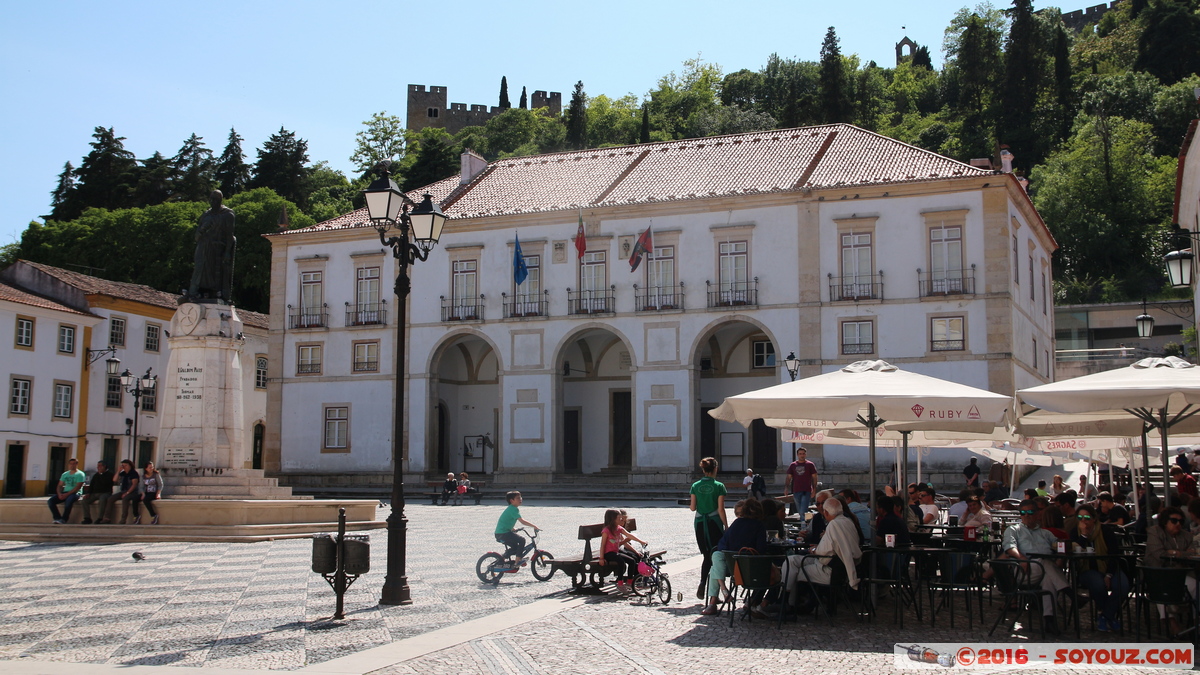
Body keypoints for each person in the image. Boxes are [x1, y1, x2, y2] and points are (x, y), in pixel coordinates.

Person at [1000, 499, 1069, 634]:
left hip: (1043, 571)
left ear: (1037, 514)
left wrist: (1061, 557)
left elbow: (1059, 546)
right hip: (1025, 571)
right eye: (1023, 513)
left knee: (1048, 577)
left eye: (1030, 512)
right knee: (1044, 563)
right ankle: (1069, 592)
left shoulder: (1045, 533)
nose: (1026, 515)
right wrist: (1021, 558)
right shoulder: (1014, 530)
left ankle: (1049, 620)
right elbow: (1009, 547)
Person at [783, 498, 862, 613]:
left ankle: (786, 604)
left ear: (826, 512)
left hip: (830, 570)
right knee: (791, 561)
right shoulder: (848, 521)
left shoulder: (834, 525)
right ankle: (787, 603)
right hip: (838, 567)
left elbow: (823, 551)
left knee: (791, 570)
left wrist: (814, 549)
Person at [699, 498, 768, 615]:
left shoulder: (736, 524)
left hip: (732, 567)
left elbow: (722, 545)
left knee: (715, 562)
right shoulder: (759, 526)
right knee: (767, 569)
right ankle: (751, 602)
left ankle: (714, 601)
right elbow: (761, 549)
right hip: (750, 569)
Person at [1069, 504, 1129, 632]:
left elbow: (1114, 554)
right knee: (1098, 584)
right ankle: (1109, 616)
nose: (1083, 521)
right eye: (1080, 517)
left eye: (1086, 517)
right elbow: (1073, 549)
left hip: (1109, 567)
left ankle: (1105, 615)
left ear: (1094, 518)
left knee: (1123, 586)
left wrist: (1109, 574)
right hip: (1087, 569)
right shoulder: (1075, 532)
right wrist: (1084, 536)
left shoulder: (1105, 531)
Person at [1145, 505, 1194, 634]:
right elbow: (1159, 555)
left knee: (1196, 586)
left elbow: (1192, 554)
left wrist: (1175, 553)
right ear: (1165, 521)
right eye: (1174, 521)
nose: (1178, 524)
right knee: (1164, 586)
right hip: (1158, 572)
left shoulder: (1186, 536)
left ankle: (1194, 621)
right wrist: (1181, 554)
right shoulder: (1155, 532)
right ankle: (1170, 620)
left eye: (1181, 522)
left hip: (1180, 573)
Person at [188, 189, 236, 301]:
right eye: (211, 199)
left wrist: (228, 252)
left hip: (218, 248)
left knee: (216, 273)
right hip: (203, 246)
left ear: (220, 200)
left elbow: (230, 235)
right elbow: (196, 236)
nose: (213, 202)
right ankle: (193, 293)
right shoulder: (206, 215)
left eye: (216, 200)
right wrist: (202, 229)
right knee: (199, 269)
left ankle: (216, 294)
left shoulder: (228, 214)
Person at [690, 457, 728, 599]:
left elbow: (693, 508)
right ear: (715, 469)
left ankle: (702, 582)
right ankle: (715, 594)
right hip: (714, 524)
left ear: (703, 469)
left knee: (706, 556)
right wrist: (726, 525)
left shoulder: (695, 485)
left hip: (700, 524)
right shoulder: (719, 486)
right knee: (717, 556)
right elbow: (721, 509)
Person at [494, 491, 540, 567]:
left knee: (515, 547)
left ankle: (502, 558)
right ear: (511, 501)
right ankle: (518, 560)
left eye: (520, 497)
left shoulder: (511, 509)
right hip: (503, 533)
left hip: (500, 533)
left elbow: (507, 521)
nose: (520, 499)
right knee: (522, 540)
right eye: (518, 498)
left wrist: (512, 529)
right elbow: (522, 521)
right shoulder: (514, 509)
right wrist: (534, 526)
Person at [599, 509, 639, 594]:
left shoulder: (619, 529)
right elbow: (602, 545)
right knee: (621, 562)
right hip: (608, 553)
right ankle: (620, 583)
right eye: (619, 519)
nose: (621, 521)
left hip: (616, 551)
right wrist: (601, 558)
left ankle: (629, 582)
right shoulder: (606, 531)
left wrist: (641, 542)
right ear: (612, 519)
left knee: (632, 561)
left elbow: (629, 535)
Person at [784, 447, 818, 524]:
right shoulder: (793, 465)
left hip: (807, 490)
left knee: (803, 509)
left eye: (803, 454)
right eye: (800, 454)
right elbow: (788, 477)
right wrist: (786, 488)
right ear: (797, 455)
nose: (802, 455)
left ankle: (803, 525)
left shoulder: (810, 465)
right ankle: (807, 523)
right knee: (800, 510)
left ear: (805, 454)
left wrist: (814, 489)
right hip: (796, 490)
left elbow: (814, 477)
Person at [47, 458, 86, 524]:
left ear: (77, 464)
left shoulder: (80, 474)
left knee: (69, 501)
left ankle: (64, 519)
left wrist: (67, 495)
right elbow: (59, 485)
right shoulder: (65, 474)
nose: (72, 465)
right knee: (51, 501)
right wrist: (59, 494)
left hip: (75, 493)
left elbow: (78, 487)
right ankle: (57, 518)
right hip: (65, 492)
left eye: (74, 464)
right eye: (70, 464)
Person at [79, 460, 114, 525]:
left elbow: (107, 484)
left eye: (100, 466)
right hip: (94, 493)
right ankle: (87, 518)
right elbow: (92, 485)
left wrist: (101, 475)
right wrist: (88, 493)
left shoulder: (110, 474)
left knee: (102, 500)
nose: (98, 468)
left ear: (104, 466)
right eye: (98, 466)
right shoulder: (96, 475)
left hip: (105, 493)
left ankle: (100, 518)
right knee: (84, 500)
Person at [114, 460, 140, 525]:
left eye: (126, 465)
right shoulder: (123, 473)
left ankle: (123, 519)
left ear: (130, 466)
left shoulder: (134, 473)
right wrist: (118, 471)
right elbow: (114, 480)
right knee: (111, 498)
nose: (124, 467)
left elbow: (134, 485)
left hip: (133, 492)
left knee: (125, 499)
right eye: (123, 465)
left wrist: (127, 493)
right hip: (123, 491)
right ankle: (106, 518)